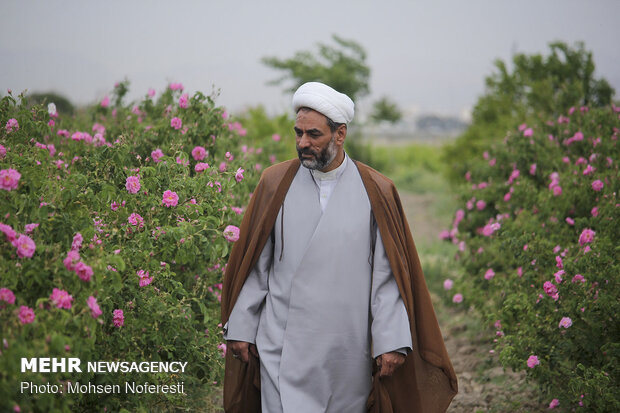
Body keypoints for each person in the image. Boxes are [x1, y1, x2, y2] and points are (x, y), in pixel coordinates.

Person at [221, 82, 457, 413]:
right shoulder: (275, 183)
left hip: (347, 351)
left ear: (339, 134)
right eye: (298, 133)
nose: (303, 143)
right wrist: (242, 327)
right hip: (282, 345)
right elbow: (256, 265)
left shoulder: (376, 189)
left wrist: (391, 340)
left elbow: (386, 276)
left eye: (313, 135)